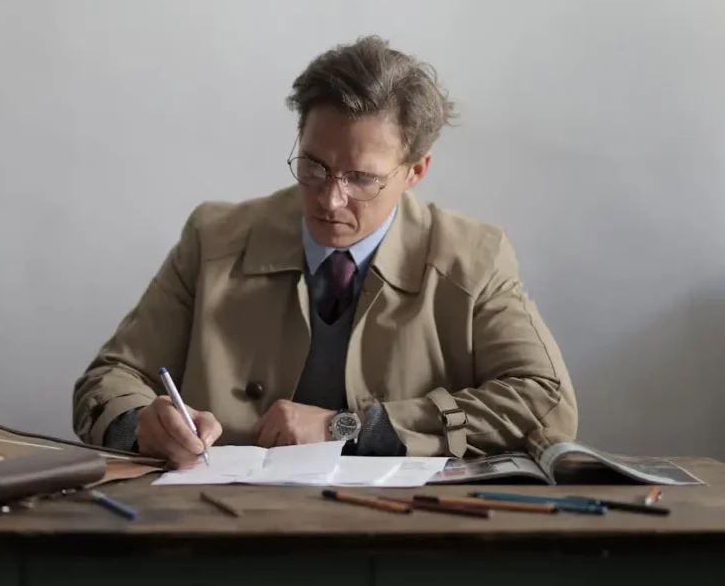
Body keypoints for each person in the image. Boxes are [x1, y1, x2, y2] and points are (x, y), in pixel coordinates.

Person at [72, 36, 578, 468]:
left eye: (361, 178)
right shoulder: (214, 237)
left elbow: (545, 401)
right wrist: (141, 424)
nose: (330, 199)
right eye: (313, 166)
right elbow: (109, 378)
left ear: (415, 171)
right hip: (220, 525)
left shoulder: (474, 256)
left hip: (401, 533)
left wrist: (355, 427)